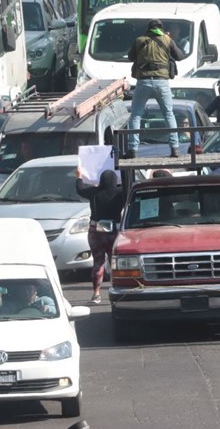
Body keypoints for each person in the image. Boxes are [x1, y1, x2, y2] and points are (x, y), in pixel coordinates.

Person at [126, 18, 184, 158]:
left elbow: (130, 57)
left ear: (148, 29)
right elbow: (180, 56)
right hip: (161, 82)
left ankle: (133, 150)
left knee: (136, 116)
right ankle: (175, 149)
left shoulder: (140, 40)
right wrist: (169, 41)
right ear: (161, 28)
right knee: (168, 114)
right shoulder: (167, 40)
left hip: (143, 82)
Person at [76, 169, 123, 304]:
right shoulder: (120, 193)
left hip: (96, 230)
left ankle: (96, 294)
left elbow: (80, 189)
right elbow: (130, 186)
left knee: (98, 262)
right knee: (115, 263)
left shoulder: (94, 192)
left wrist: (79, 177)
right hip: (115, 232)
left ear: (101, 180)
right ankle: (117, 290)